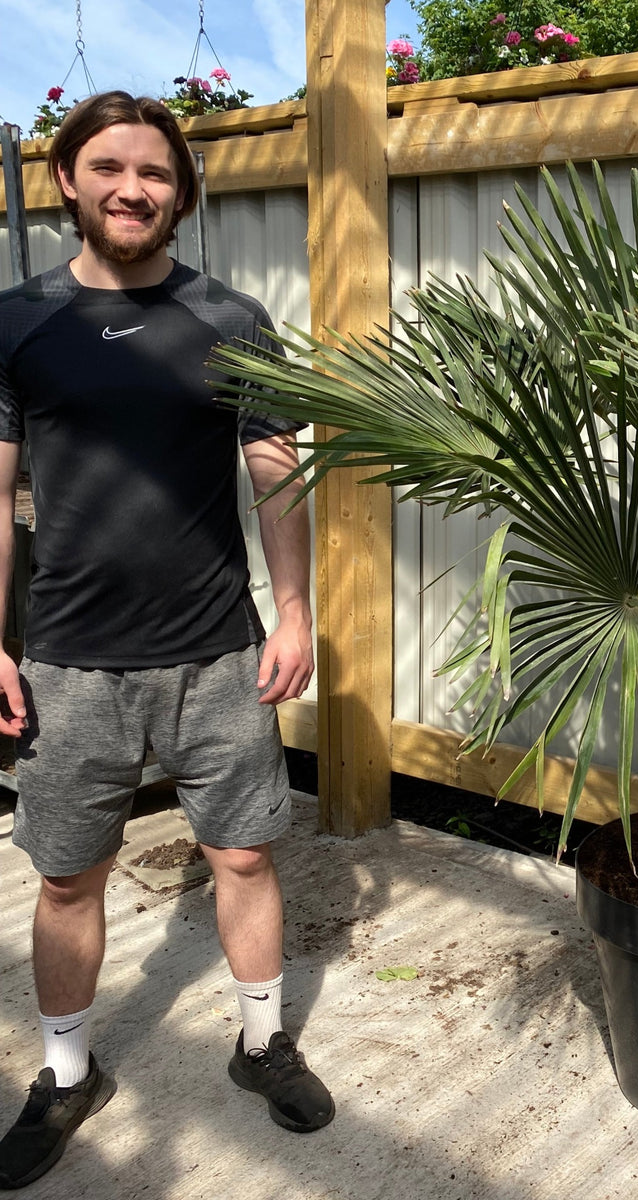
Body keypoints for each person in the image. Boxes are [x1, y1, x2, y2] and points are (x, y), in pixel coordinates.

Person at [0, 91, 333, 1190]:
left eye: (154, 172)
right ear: (68, 181)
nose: (131, 188)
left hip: (215, 655)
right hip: (65, 657)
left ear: (181, 192)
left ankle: (259, 1043)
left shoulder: (232, 321)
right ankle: (65, 1074)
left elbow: (275, 472)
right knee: (66, 879)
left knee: (243, 854)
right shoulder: (17, 324)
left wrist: (297, 613)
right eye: (108, 168)